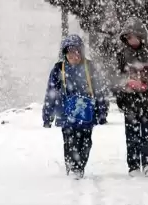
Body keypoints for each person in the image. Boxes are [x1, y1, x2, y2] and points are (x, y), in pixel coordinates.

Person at [42, 34, 108, 179]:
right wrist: (47, 115)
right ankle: (71, 166)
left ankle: (80, 166)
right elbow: (51, 92)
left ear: (81, 52)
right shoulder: (59, 69)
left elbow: (99, 90)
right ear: (65, 54)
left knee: (85, 141)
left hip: (87, 114)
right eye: (69, 52)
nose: (73, 56)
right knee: (69, 141)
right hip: (66, 113)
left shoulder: (89, 67)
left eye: (76, 52)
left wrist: (102, 111)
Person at [111, 17, 148, 177]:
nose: (132, 40)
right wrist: (123, 91)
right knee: (131, 135)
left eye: (134, 36)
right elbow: (116, 77)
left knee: (147, 133)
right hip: (130, 102)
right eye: (128, 37)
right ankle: (134, 165)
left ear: (141, 36)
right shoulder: (122, 55)